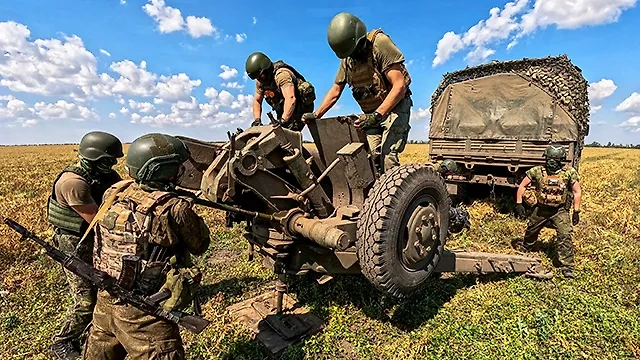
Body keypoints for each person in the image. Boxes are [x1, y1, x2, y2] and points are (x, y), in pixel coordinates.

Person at [82, 133, 211, 360]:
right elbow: (200, 245)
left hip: (106, 296)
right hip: (144, 309)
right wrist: (186, 211)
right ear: (162, 170)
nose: (182, 170)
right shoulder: (173, 208)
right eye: (177, 166)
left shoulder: (114, 192)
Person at [302, 12, 413, 174]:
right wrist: (316, 114)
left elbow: (399, 86)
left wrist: (377, 115)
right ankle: (377, 195)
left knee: (388, 157)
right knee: (373, 159)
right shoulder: (347, 59)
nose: (353, 56)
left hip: (395, 106)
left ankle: (397, 196)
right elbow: (335, 90)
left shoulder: (379, 44)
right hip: (370, 114)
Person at [47, 131, 124, 359]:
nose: (112, 164)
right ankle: (63, 340)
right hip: (74, 243)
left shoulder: (106, 174)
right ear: (93, 158)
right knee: (85, 298)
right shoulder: (73, 183)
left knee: (106, 287)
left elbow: (122, 192)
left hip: (95, 238)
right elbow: (99, 220)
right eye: (108, 160)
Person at [515, 144, 582, 279]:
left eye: (555, 159)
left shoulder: (569, 172)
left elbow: (577, 191)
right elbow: (522, 186)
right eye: (550, 158)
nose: (552, 162)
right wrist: (519, 204)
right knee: (531, 229)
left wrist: (576, 211)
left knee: (565, 235)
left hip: (560, 210)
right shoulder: (537, 171)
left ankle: (567, 267)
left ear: (561, 160)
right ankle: (527, 247)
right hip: (541, 209)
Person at [246, 52, 316, 131]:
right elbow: (257, 100)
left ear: (266, 68)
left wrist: (283, 120)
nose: (259, 79)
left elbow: (291, 98)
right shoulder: (260, 81)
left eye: (260, 76)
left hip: (299, 107)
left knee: (287, 134)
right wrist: (257, 120)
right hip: (283, 108)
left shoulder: (282, 75)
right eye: (257, 78)